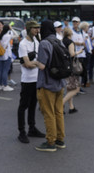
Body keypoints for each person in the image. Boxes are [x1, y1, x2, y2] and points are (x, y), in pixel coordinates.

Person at [35, 20, 66, 152]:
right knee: (59, 112)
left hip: (47, 83)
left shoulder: (44, 43)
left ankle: (50, 142)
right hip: (59, 82)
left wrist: (34, 61)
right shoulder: (59, 41)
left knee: (48, 113)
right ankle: (60, 139)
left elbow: (42, 65)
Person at [17, 20, 44, 143]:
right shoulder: (23, 44)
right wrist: (36, 63)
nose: (37, 30)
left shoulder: (37, 42)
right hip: (27, 80)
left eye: (38, 28)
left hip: (36, 78)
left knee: (33, 105)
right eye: (35, 28)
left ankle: (32, 128)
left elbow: (37, 60)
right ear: (29, 29)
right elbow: (27, 64)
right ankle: (21, 131)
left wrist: (34, 63)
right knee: (23, 106)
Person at [62, 27, 83, 113]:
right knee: (76, 88)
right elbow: (72, 54)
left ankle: (71, 107)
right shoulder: (70, 42)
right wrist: (79, 52)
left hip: (64, 66)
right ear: (70, 34)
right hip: (70, 67)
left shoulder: (62, 41)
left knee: (70, 88)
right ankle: (61, 104)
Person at [0, 23, 14, 91]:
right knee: (5, 70)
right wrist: (11, 29)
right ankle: (5, 85)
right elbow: (16, 35)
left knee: (0, 70)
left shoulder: (0, 36)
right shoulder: (8, 36)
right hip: (7, 54)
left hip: (0, 54)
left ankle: (0, 85)